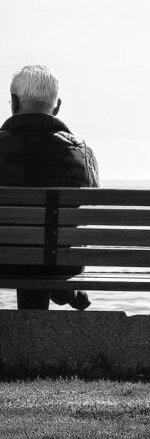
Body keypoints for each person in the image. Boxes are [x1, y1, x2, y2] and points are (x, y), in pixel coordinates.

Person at [0, 65, 99, 310]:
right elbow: (92, 200)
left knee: (22, 243)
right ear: (56, 107)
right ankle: (64, 290)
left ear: (13, 102)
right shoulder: (82, 153)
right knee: (45, 246)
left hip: (3, 258)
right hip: (60, 262)